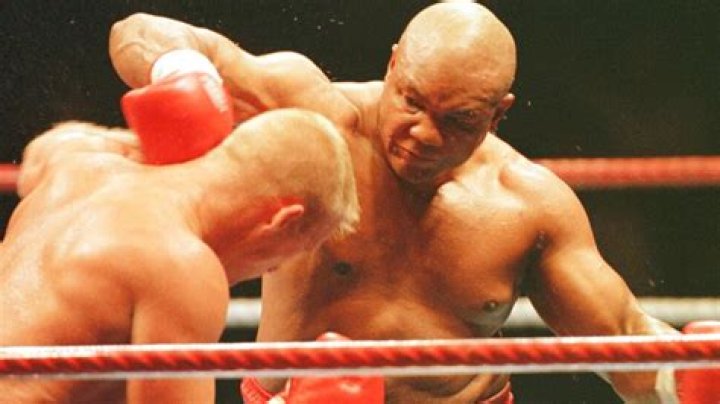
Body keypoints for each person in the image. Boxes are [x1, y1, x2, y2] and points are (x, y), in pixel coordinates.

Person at [110, 3, 710, 403]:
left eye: (457, 120)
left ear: (498, 114)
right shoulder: (313, 122)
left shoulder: (528, 205)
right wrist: (181, 73)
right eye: (412, 101)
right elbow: (138, 31)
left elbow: (624, 340)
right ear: (394, 62)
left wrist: (691, 375)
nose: (422, 133)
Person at [0, 106, 360, 402]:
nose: (273, 270)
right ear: (283, 221)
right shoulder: (182, 266)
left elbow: (44, 150)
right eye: (288, 256)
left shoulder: (78, 165)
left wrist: (159, 135)